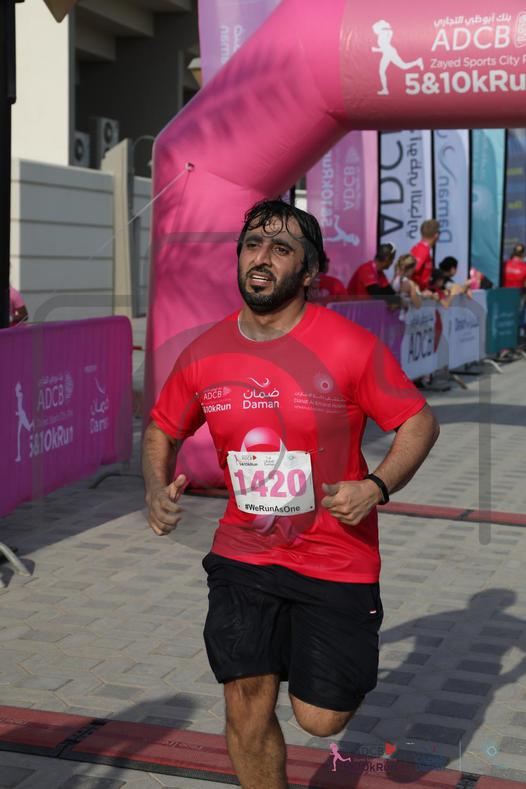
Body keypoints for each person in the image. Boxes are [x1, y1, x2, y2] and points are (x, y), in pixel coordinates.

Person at [143, 199, 439, 789]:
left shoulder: (349, 346)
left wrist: (376, 486)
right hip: (244, 553)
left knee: (320, 718)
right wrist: (155, 486)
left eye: (281, 249)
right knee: (245, 703)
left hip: (336, 557)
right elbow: (161, 428)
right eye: (253, 245)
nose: (262, 258)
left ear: (308, 272)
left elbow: (419, 421)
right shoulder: (205, 351)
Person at [410, 219, 440, 291]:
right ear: (436, 235)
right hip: (416, 295)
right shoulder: (422, 250)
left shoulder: (423, 249)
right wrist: (418, 292)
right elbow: (410, 271)